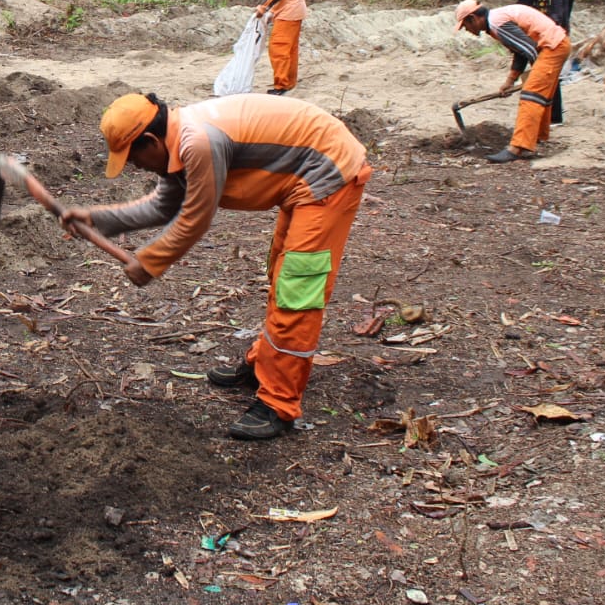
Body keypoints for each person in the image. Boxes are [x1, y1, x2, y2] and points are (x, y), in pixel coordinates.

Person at [59, 91, 372, 441]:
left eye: (133, 157)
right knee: (282, 276)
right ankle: (265, 365)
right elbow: (163, 205)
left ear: (150, 140)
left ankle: (278, 403)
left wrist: (148, 263)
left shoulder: (198, 143)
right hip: (303, 175)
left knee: (297, 290)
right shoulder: (176, 142)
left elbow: (195, 218)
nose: (135, 166)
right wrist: (97, 219)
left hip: (326, 172)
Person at [454, 0, 572, 164]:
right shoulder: (496, 21)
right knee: (541, 97)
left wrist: (535, 76)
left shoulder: (497, 24)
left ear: (473, 18)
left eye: (466, 25)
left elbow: (529, 49)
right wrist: (510, 81)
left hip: (552, 47)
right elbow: (520, 51)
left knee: (531, 96)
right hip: (557, 44)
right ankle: (536, 136)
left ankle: (518, 147)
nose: (467, 30)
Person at [514, 0, 574, 126]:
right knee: (551, 67)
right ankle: (554, 114)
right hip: (560, 18)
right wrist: (564, 19)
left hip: (547, 20)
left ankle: (552, 115)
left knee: (544, 66)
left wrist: (516, 12)